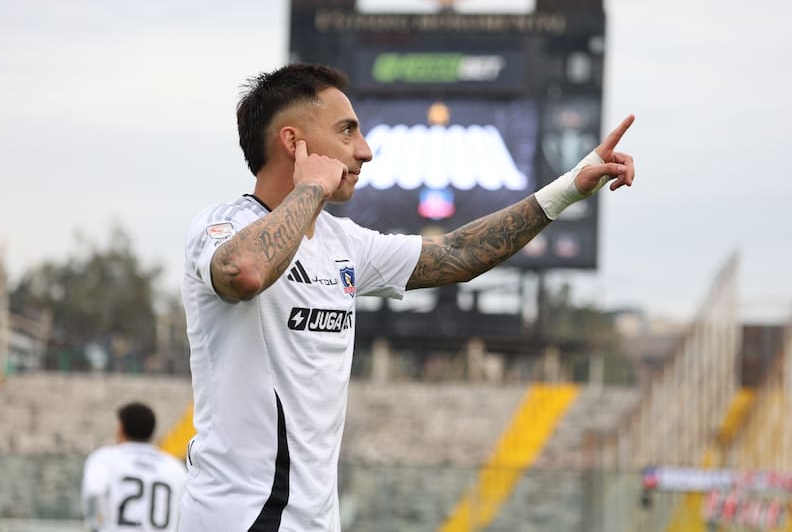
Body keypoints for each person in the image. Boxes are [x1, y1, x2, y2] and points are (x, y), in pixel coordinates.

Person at [179, 63, 635, 532]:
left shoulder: (345, 243)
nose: (366, 151)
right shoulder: (221, 226)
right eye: (347, 131)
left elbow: (460, 253)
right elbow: (246, 271)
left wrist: (568, 187)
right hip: (240, 519)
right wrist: (312, 185)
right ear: (294, 144)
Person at [81, 402, 187, 532]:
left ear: (121, 428)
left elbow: (94, 491)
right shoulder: (175, 467)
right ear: (152, 431)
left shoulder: (104, 458)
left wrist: (93, 525)